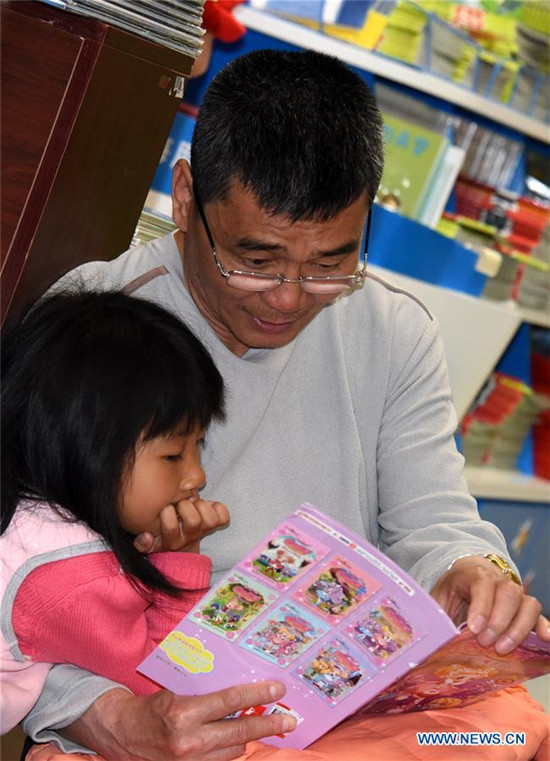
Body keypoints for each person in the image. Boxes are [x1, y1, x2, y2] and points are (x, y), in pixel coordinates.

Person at [20, 50, 549, 760]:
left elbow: (435, 522)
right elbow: (14, 587)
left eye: (332, 263)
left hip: (340, 693)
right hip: (152, 696)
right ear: (185, 199)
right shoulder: (97, 322)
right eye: (256, 260)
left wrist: (471, 573)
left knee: (513, 728)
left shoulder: (394, 332)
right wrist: (109, 718)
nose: (290, 297)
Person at [0, 291, 293, 742]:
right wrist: (181, 560)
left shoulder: (27, 503)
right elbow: (164, 683)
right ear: (88, 449)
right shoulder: (69, 578)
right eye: (174, 454)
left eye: (199, 446)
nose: (196, 476)